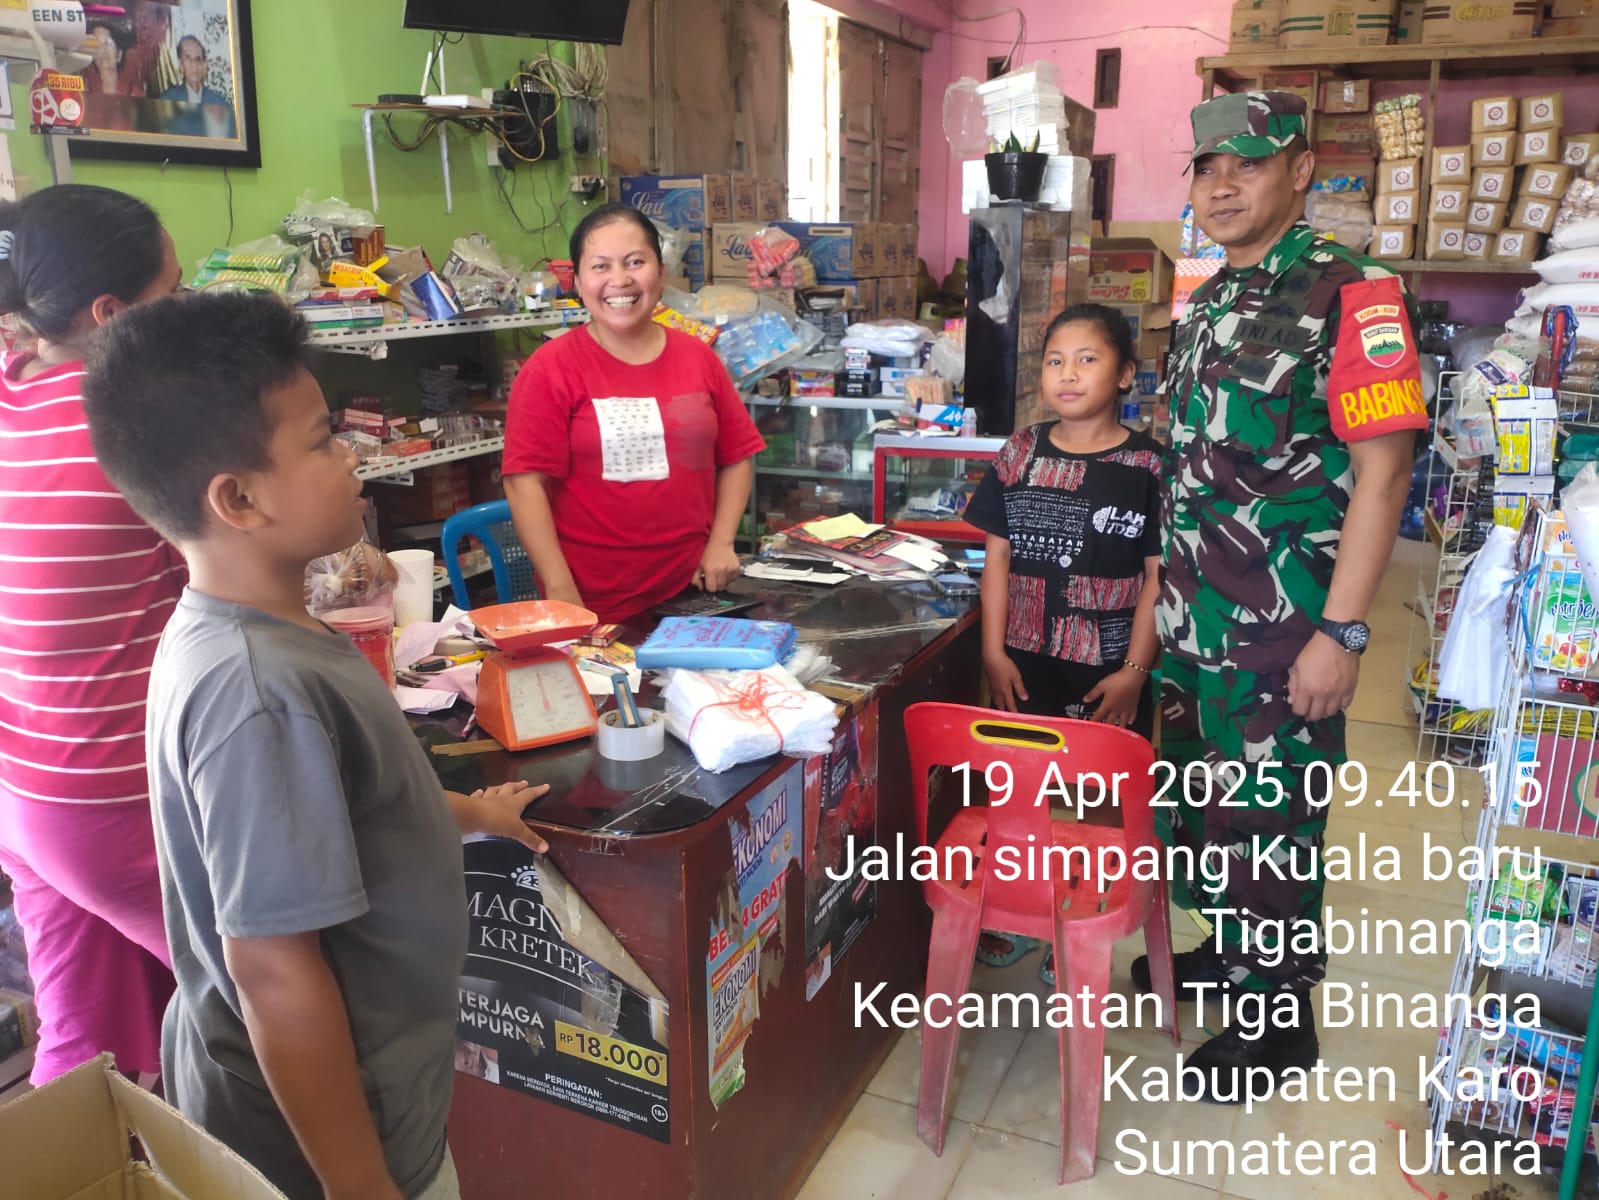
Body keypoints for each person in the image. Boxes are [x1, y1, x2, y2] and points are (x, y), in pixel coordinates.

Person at [82, 291, 555, 1200]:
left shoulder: (262, 631)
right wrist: (358, 1184)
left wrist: (467, 811)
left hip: (359, 1095)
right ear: (239, 499)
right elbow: (273, 970)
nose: (352, 456)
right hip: (331, 1142)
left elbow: (348, 811)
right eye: (322, 439)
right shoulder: (258, 690)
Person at [1133, 91, 1426, 1100]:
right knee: (1205, 807)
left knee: (1272, 822)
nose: (1221, 184)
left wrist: (1341, 632)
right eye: (1206, 166)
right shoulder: (1207, 297)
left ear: (1299, 172)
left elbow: (1384, 475)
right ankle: (1234, 952)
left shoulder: (1356, 295)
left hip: (1283, 627)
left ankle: (1279, 1021)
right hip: (1193, 621)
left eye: (1248, 164)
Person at [0, 185, 184, 1086]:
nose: (183, 312)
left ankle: (82, 1155)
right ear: (111, 315)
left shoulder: (14, 392)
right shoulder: (132, 429)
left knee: (81, 1040)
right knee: (273, 992)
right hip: (112, 792)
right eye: (173, 294)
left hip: (25, 790)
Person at [962, 303, 1164, 982]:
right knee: (1021, 790)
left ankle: (1083, 925)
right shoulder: (1019, 452)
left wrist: (1135, 670)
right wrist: (993, 652)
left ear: (1125, 374)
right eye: (1054, 361)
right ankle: (1021, 909)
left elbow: (1157, 578)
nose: (1067, 374)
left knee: (1101, 795)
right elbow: (996, 559)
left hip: (1108, 669)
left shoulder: (1148, 465)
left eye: (1087, 359)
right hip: (1024, 661)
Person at [503, 203, 765, 623]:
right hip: (593, 599)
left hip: (696, 590)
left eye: (635, 262)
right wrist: (559, 587)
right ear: (578, 282)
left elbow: (737, 455)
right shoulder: (550, 368)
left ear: (660, 272)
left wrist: (721, 543)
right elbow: (524, 483)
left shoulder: (699, 358)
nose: (619, 280)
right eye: (600, 266)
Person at [159, 35, 231, 108]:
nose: (194, 65)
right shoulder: (166, 100)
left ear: (204, 65)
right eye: (188, 58)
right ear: (180, 64)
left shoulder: (219, 103)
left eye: (198, 59)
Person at [80, 22, 144, 97]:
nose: (103, 50)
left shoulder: (134, 93)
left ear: (119, 54)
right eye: (97, 45)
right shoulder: (84, 87)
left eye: (108, 43)